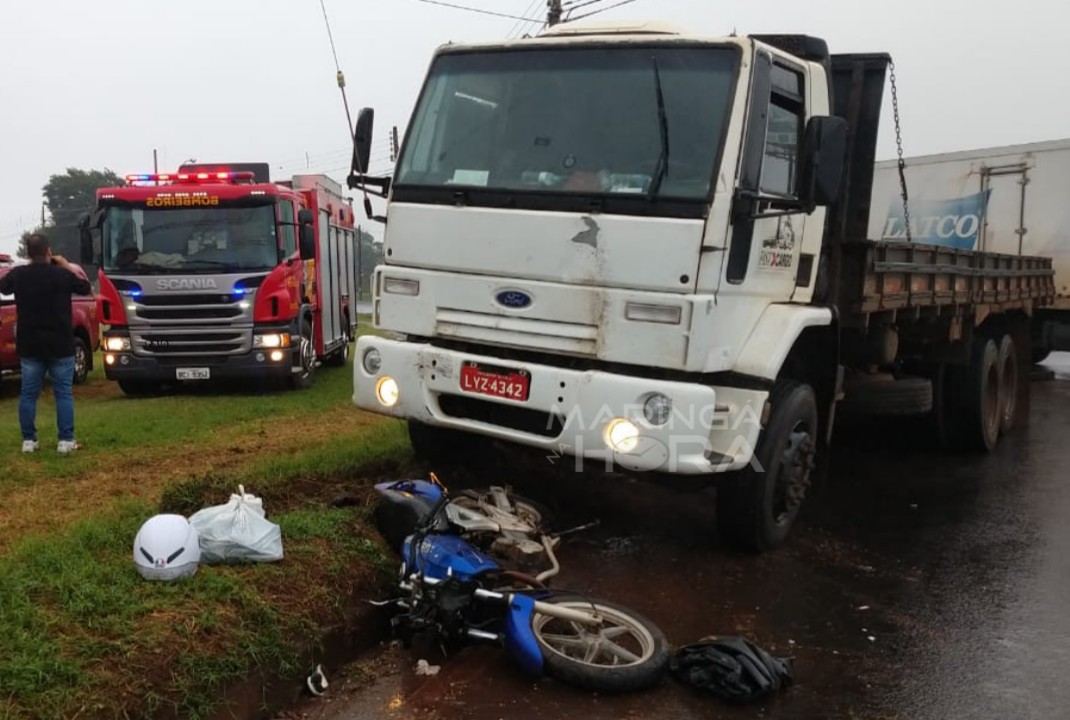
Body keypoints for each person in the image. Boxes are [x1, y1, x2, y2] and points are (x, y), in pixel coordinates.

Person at [0, 234, 92, 453]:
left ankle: (29, 441)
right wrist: (65, 264)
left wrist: (24, 267)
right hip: (60, 343)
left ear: (28, 252)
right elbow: (84, 287)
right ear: (48, 251)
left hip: (30, 345)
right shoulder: (61, 274)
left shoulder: (20, 275)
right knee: (63, 393)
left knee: (29, 394)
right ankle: (66, 440)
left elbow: (3, 288)